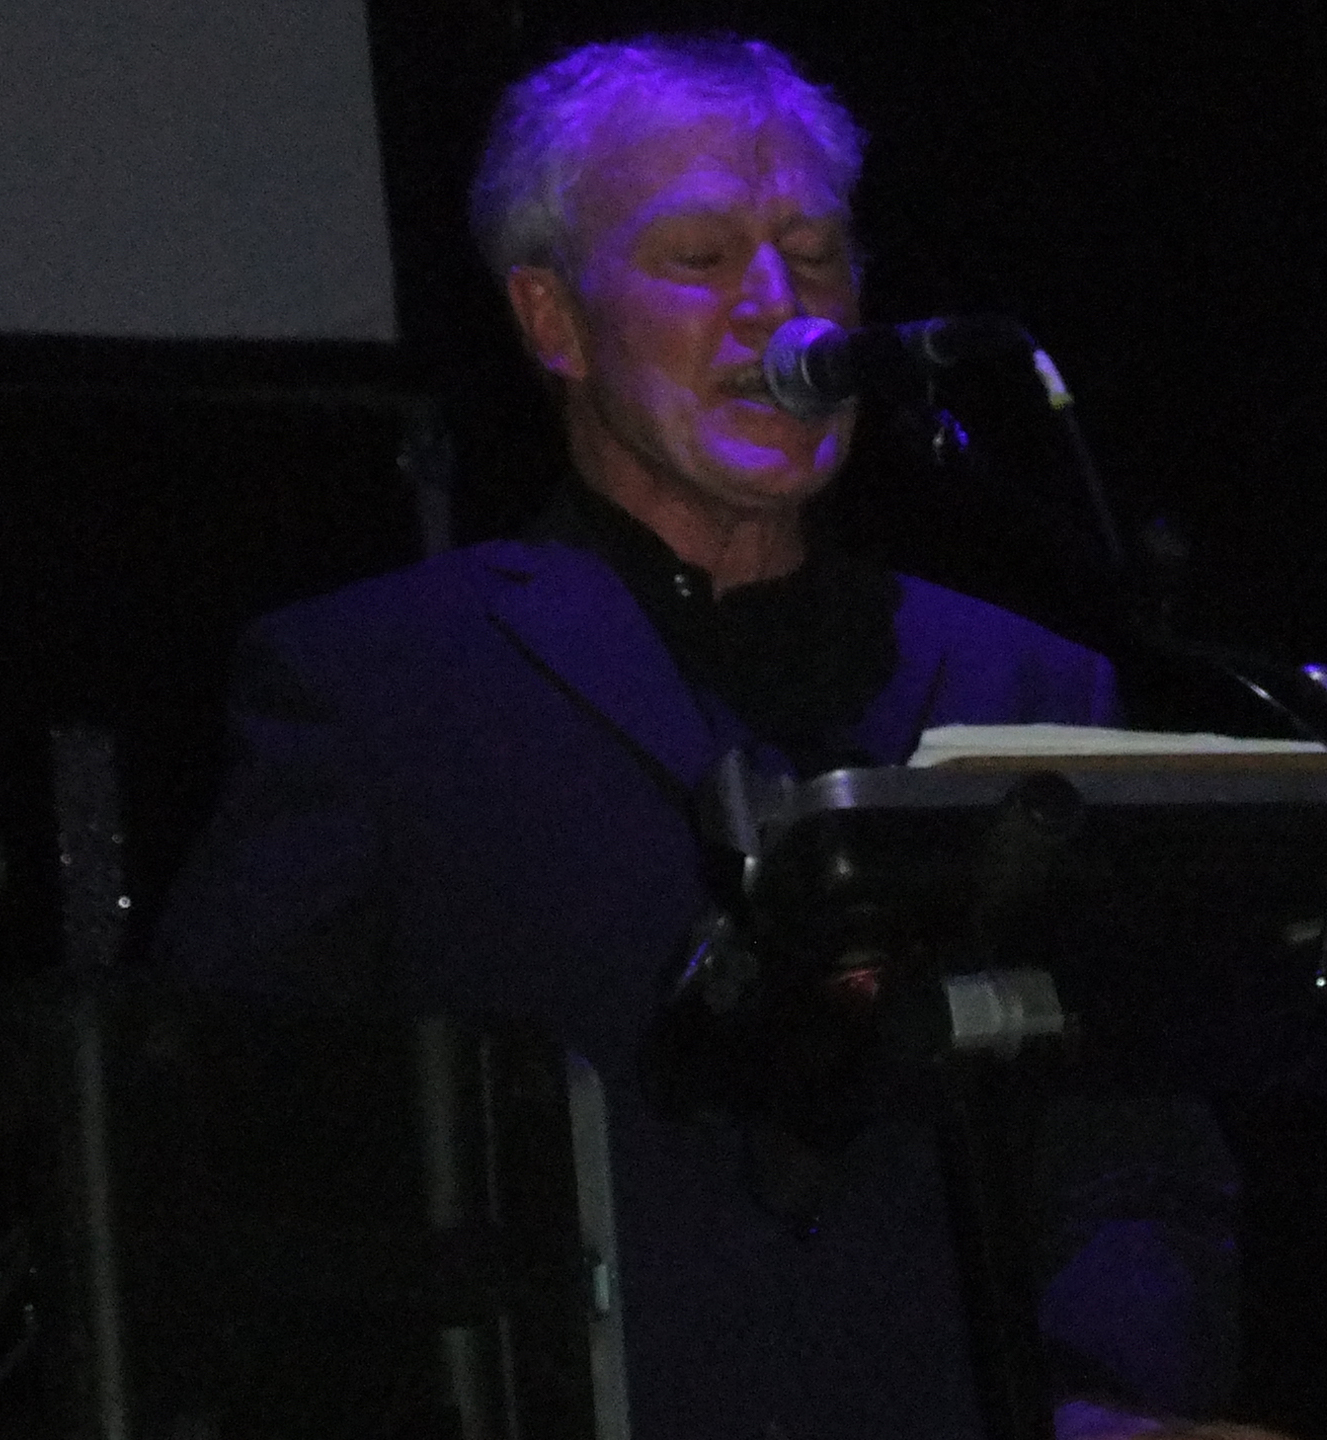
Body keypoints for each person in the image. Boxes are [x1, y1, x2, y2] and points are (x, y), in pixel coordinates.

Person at [156, 33, 1261, 1440]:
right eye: (702, 258)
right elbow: (229, 1162)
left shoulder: (1025, 680)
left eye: (815, 255)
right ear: (553, 321)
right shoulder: (376, 685)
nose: (781, 310)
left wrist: (1101, 1400)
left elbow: (1140, 1155)